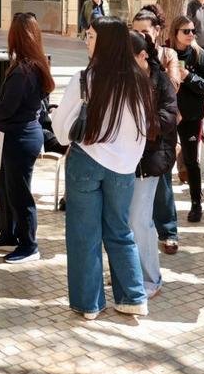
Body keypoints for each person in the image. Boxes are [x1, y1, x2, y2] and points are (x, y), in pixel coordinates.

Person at [53, 17, 154, 318]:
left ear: (106, 42)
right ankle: (133, 297)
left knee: (84, 233)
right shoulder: (139, 81)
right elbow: (143, 129)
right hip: (124, 168)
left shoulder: (85, 78)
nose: (87, 41)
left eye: (92, 36)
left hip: (86, 161)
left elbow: (61, 132)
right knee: (120, 231)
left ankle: (89, 303)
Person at [0, 12, 56, 263]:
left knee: (19, 194)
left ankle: (28, 245)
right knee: (5, 189)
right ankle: (9, 235)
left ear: (17, 36)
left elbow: (6, 108)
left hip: (20, 139)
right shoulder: (30, 66)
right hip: (15, 136)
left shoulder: (24, 70)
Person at [130, 9, 182, 254]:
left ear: (156, 31)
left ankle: (168, 231)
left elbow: (173, 87)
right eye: (135, 31)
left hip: (160, 137)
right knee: (137, 211)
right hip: (134, 148)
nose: (140, 35)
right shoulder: (127, 64)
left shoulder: (167, 56)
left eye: (144, 31)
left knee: (162, 185)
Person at [168, 15, 204, 222]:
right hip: (168, 115)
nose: (190, 35)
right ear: (175, 32)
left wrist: (188, 77)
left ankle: (196, 203)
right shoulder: (166, 52)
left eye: (193, 31)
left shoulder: (200, 55)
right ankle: (163, 205)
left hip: (191, 116)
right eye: (186, 31)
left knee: (191, 160)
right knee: (164, 159)